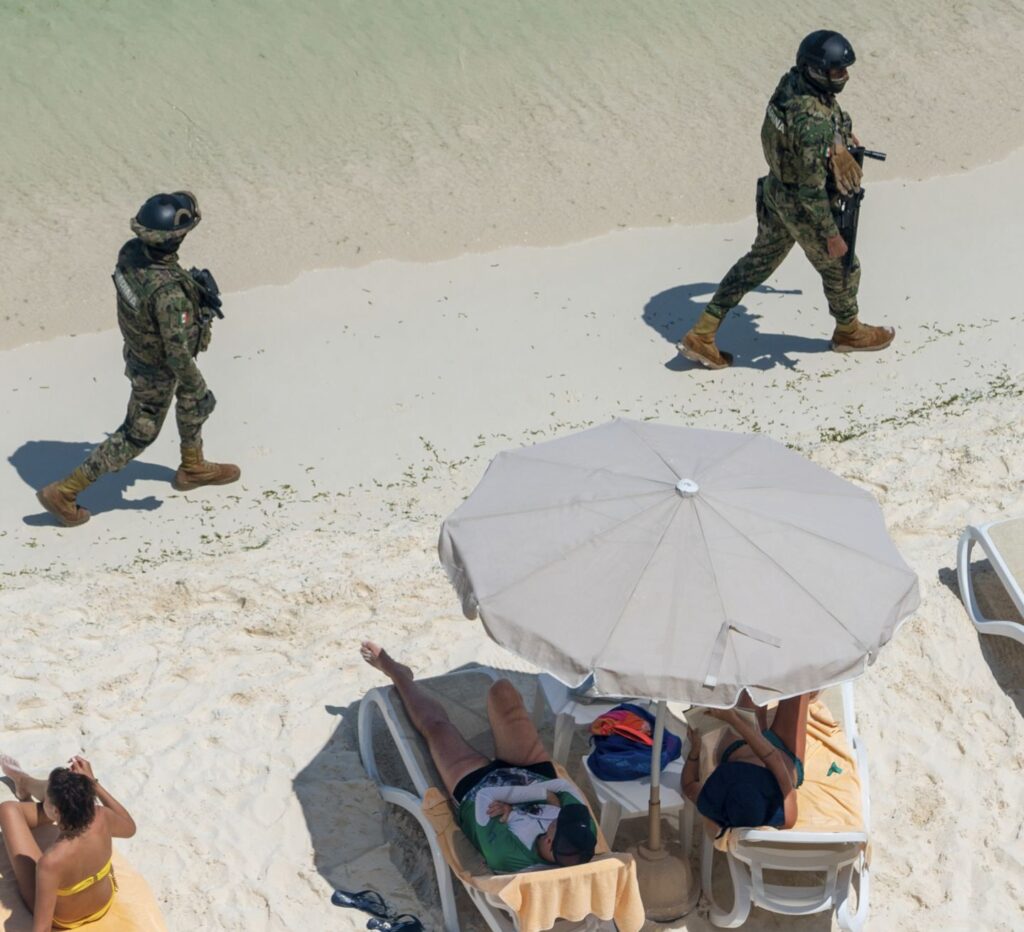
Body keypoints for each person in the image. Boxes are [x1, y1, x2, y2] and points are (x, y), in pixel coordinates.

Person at [678, 30, 895, 369]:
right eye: (837, 71)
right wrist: (830, 234)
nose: (845, 77)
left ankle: (702, 333)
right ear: (817, 71)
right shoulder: (813, 126)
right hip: (801, 203)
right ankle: (848, 332)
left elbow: (824, 115)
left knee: (758, 262)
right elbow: (810, 190)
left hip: (774, 189)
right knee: (843, 268)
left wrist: (839, 137)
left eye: (845, 70)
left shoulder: (790, 84)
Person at [36, 191, 240, 527]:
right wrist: (199, 386)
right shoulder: (169, 295)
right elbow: (177, 357)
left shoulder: (130, 254)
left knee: (189, 399)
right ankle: (65, 491)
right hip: (158, 368)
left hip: (139, 349)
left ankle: (193, 466)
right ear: (177, 238)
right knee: (139, 432)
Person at [360, 642, 598, 872]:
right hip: (531, 774)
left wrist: (547, 796)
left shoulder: (507, 855)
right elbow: (561, 784)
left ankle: (398, 674)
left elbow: (487, 795)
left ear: (548, 842)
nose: (563, 815)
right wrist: (529, 800)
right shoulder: (583, 833)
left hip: (476, 788)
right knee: (502, 690)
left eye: (557, 821)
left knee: (437, 728)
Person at [0, 754, 136, 931]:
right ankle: (25, 781)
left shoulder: (51, 862)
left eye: (46, 801)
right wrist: (93, 783)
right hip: (104, 902)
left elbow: (42, 928)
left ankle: (24, 782)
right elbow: (130, 829)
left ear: (56, 812)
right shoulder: (102, 816)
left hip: (65, 920)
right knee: (56, 792)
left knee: (7, 810)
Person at [681, 693, 809, 838]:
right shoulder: (787, 816)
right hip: (781, 756)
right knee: (800, 684)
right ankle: (811, 692)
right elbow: (772, 758)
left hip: (741, 748)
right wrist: (735, 721)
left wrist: (695, 750)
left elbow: (688, 784)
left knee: (754, 684)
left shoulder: (720, 807)